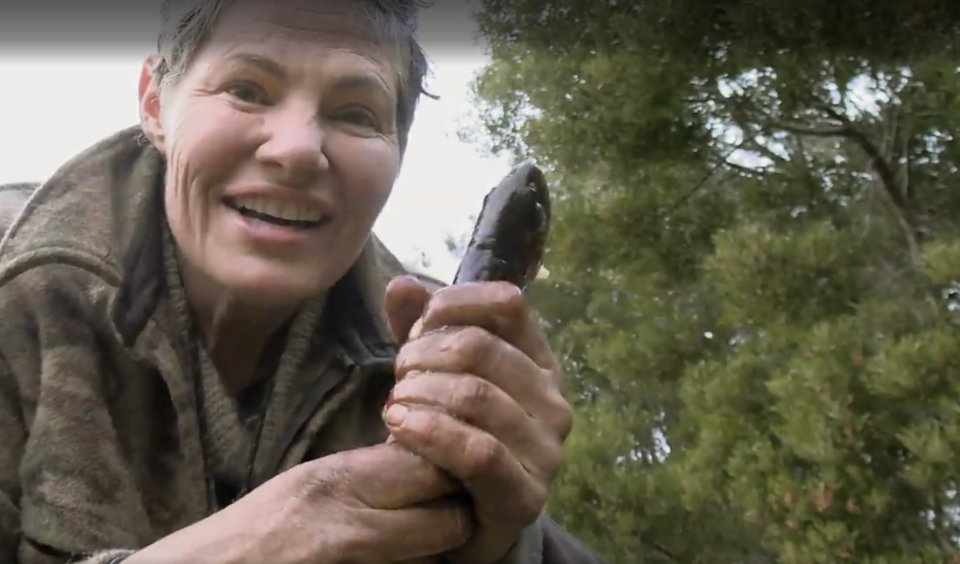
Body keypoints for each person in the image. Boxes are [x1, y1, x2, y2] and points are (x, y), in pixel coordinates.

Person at [0, 1, 607, 563]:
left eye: (355, 113)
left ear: (399, 148)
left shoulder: (436, 354)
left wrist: (497, 542)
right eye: (245, 89)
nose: (296, 151)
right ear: (155, 105)